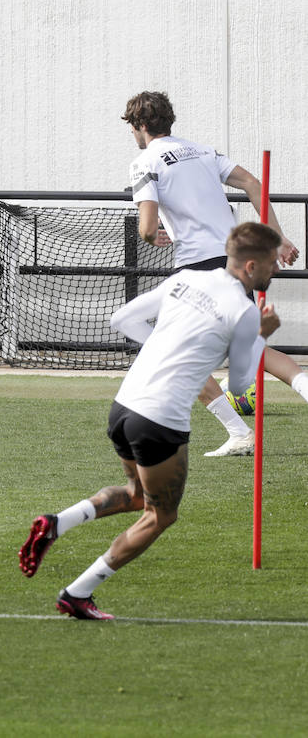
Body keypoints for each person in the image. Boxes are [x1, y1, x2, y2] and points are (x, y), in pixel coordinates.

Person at [18, 222, 282, 620]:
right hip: (160, 421)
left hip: (124, 406)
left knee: (138, 494)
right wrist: (262, 333)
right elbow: (242, 384)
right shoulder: (244, 311)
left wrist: (167, 347)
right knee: (161, 514)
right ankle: (77, 593)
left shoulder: (186, 278)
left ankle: (55, 524)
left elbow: (122, 319)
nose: (276, 269)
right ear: (250, 266)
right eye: (273, 262)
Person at [123, 90, 304, 457]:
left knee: (164, 346)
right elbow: (254, 183)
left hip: (197, 267)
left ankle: (239, 433)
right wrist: (277, 237)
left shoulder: (144, 162)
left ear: (140, 125)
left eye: (132, 128)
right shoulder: (203, 151)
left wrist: (153, 234)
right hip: (236, 261)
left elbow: (145, 228)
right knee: (254, 348)